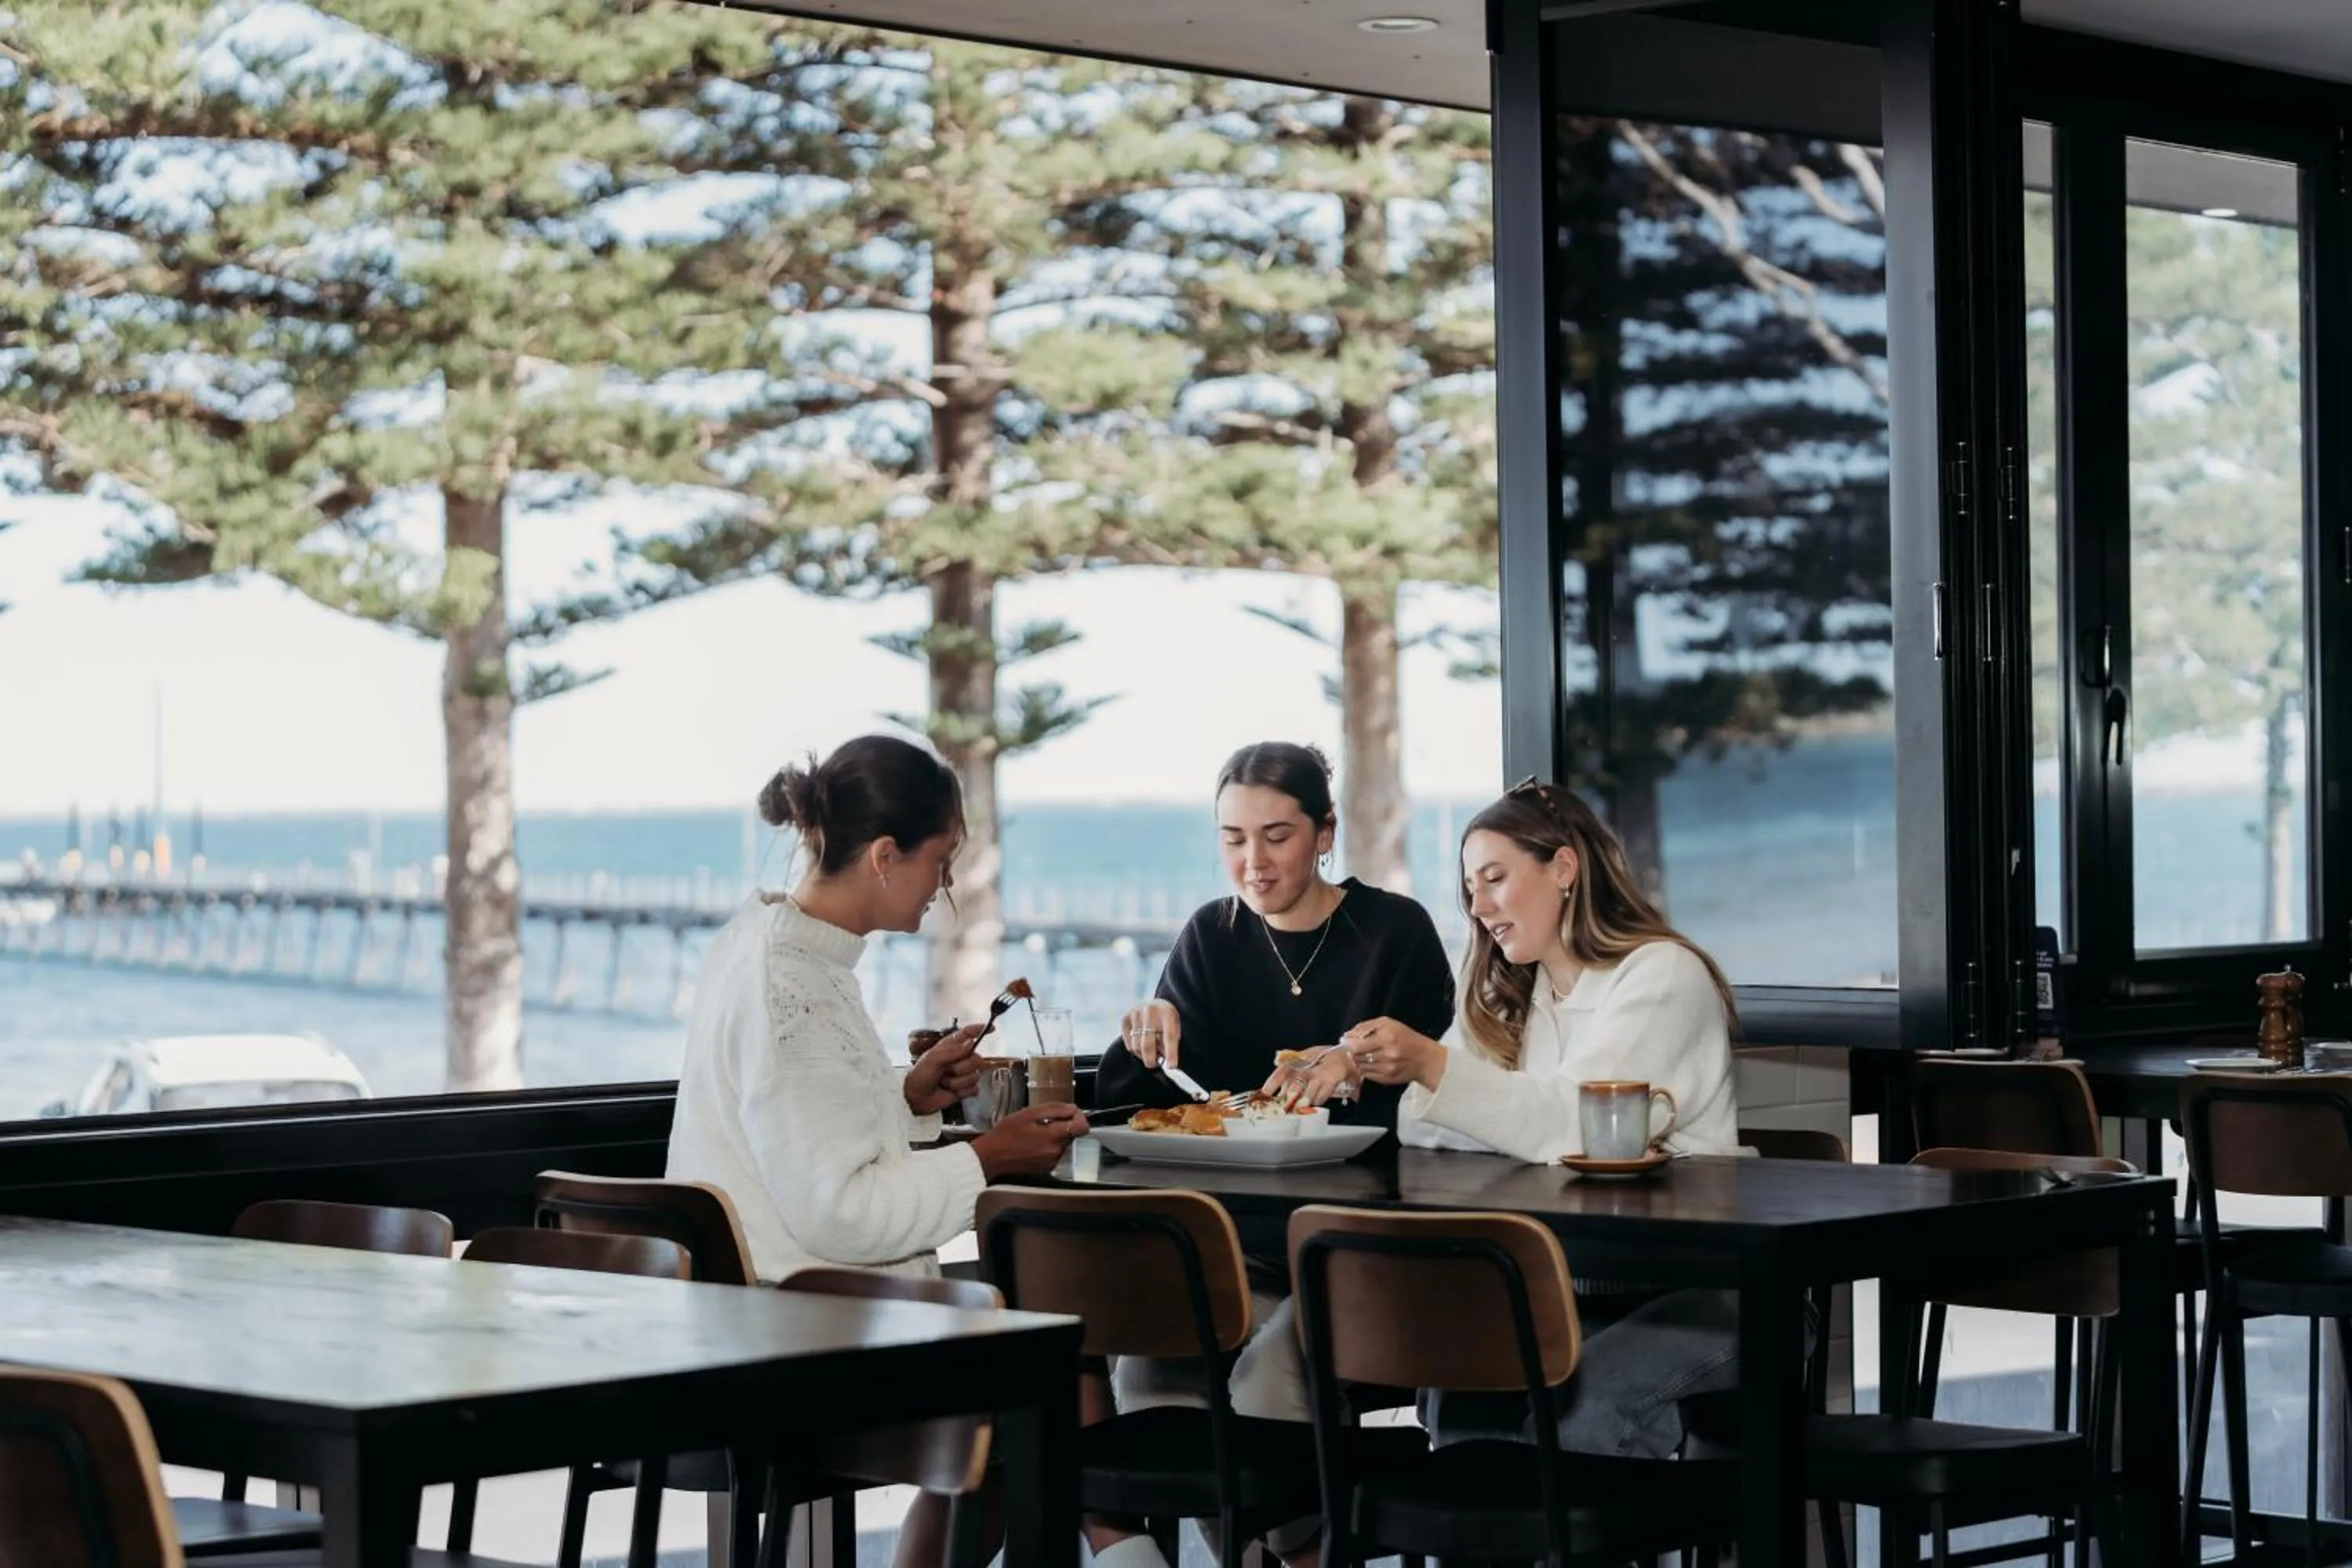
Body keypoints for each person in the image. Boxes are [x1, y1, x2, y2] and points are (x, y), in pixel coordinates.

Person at [666, 735, 1085, 1566]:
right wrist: (988, 1158)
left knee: (1025, 1363)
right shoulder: (791, 983)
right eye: (941, 860)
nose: (946, 886)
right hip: (793, 1336)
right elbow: (844, 1212)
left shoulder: (768, 947)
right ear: (886, 855)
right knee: (1043, 1374)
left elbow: (789, 1131)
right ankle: (1120, 1547)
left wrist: (903, 1097)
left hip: (749, 1318)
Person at [1281, 775, 1743, 1461]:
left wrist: (1435, 1066)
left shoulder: (1661, 977)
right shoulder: (1515, 995)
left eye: (1494, 878)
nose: (1479, 905)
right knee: (1462, 1390)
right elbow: (1424, 1123)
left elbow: (1575, 1126)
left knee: (1584, 1411)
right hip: (1573, 1286)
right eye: (1469, 888)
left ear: (1563, 868)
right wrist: (1407, 1071)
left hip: (1714, 1291)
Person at [1089, 741, 1454, 1568]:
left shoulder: (1394, 931)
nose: (1252, 862)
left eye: (1277, 835)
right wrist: (1144, 1030)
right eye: (1233, 837)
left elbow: (1434, 1110)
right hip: (1243, 1250)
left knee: (1263, 1381)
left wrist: (1352, 1066)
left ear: (1325, 832)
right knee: (1148, 1374)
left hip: (1363, 1254)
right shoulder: (1211, 938)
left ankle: (1295, 1555)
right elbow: (1146, 1105)